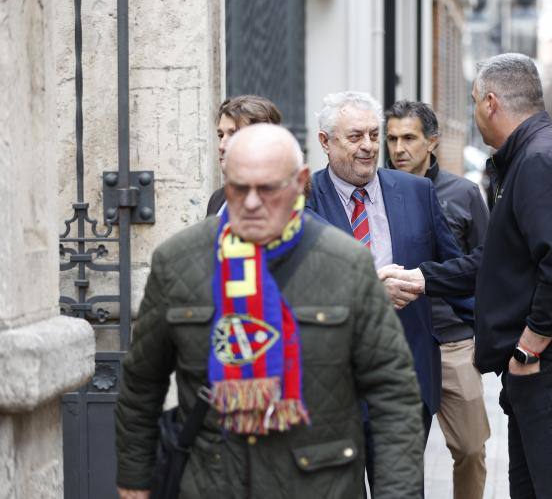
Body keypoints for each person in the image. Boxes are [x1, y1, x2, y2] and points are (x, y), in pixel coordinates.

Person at [115, 123, 424, 499]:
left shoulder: (346, 265)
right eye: (238, 188)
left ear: (301, 182)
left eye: (267, 189)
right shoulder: (178, 262)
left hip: (319, 486)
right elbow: (141, 384)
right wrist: (134, 481)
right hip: (210, 482)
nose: (250, 202)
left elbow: (393, 393)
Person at [380, 53, 552, 498]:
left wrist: (527, 352)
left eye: (474, 102)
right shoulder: (531, 156)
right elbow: (499, 262)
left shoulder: (540, 161)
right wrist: (423, 279)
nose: (474, 114)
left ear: (492, 102)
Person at [306, 91, 474, 492]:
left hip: (406, 385)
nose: (368, 147)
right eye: (354, 137)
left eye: (372, 135)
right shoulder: (302, 201)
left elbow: (456, 273)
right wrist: (367, 290)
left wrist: (496, 336)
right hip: (334, 390)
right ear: (325, 142)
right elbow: (296, 288)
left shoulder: (415, 192)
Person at [385, 100, 490, 499]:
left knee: (470, 448)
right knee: (401, 456)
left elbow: (486, 264)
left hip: (453, 343)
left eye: (409, 138)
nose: (399, 149)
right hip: (399, 345)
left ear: (432, 141)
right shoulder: (374, 193)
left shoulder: (462, 194)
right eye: (392, 138)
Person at [207, 95, 283, 216]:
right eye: (221, 136)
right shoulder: (217, 199)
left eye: (234, 135)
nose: (221, 146)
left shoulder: (283, 203)